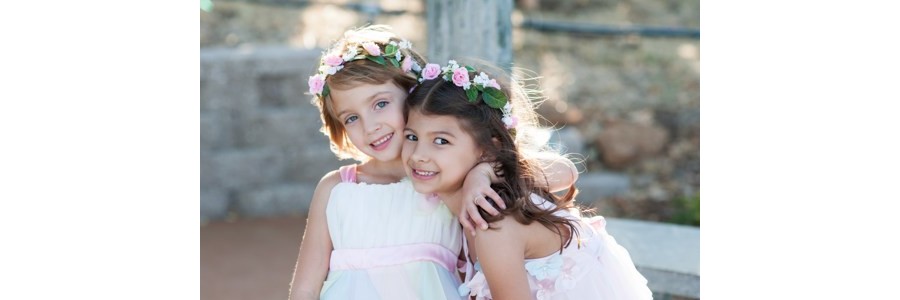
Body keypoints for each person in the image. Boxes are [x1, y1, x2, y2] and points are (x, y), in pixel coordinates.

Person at [288, 25, 578, 300]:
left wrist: (485, 171)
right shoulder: (336, 188)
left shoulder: (449, 176)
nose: (370, 126)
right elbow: (305, 288)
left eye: (380, 104)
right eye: (351, 118)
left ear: (412, 95)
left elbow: (564, 172)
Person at [402, 61, 653, 300]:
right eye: (411, 137)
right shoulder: (461, 204)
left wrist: (486, 170)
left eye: (441, 141)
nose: (418, 155)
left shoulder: (495, 226)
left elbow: (567, 171)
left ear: (488, 149)